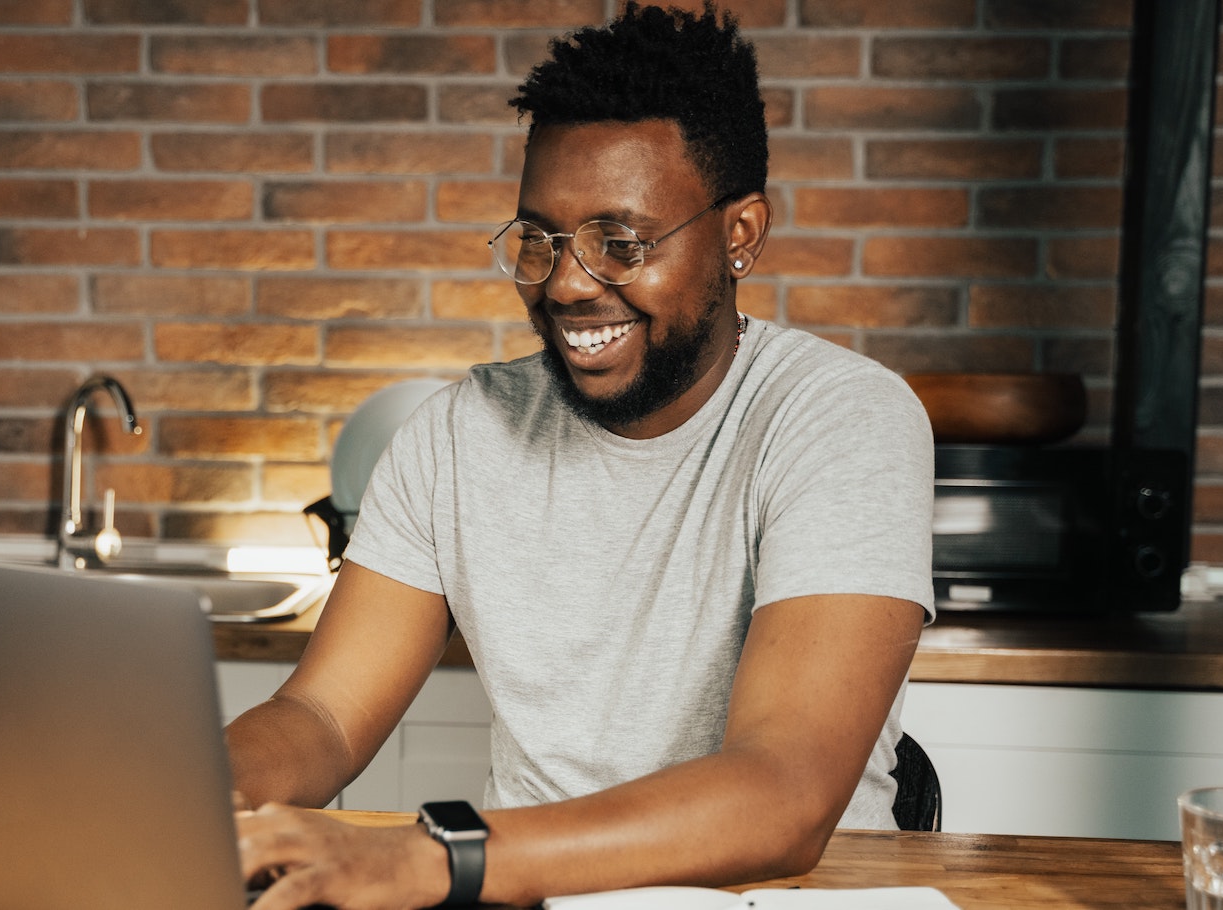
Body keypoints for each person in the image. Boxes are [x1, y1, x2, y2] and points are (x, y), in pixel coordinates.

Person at [226, 4, 935, 908]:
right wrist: (196, 798)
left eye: (621, 244)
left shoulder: (840, 419)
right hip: (526, 895)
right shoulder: (456, 434)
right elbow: (319, 716)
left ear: (741, 234)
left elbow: (783, 795)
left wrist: (431, 859)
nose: (566, 283)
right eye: (542, 240)